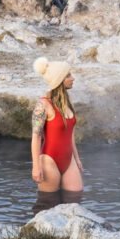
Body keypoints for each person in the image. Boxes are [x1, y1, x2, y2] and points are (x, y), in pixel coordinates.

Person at [30, 56, 83, 204]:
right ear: (59, 80)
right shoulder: (43, 105)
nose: (73, 78)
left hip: (69, 160)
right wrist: (36, 166)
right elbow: (36, 137)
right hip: (49, 161)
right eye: (68, 75)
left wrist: (77, 159)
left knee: (75, 200)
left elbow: (70, 134)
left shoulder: (67, 102)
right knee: (47, 204)